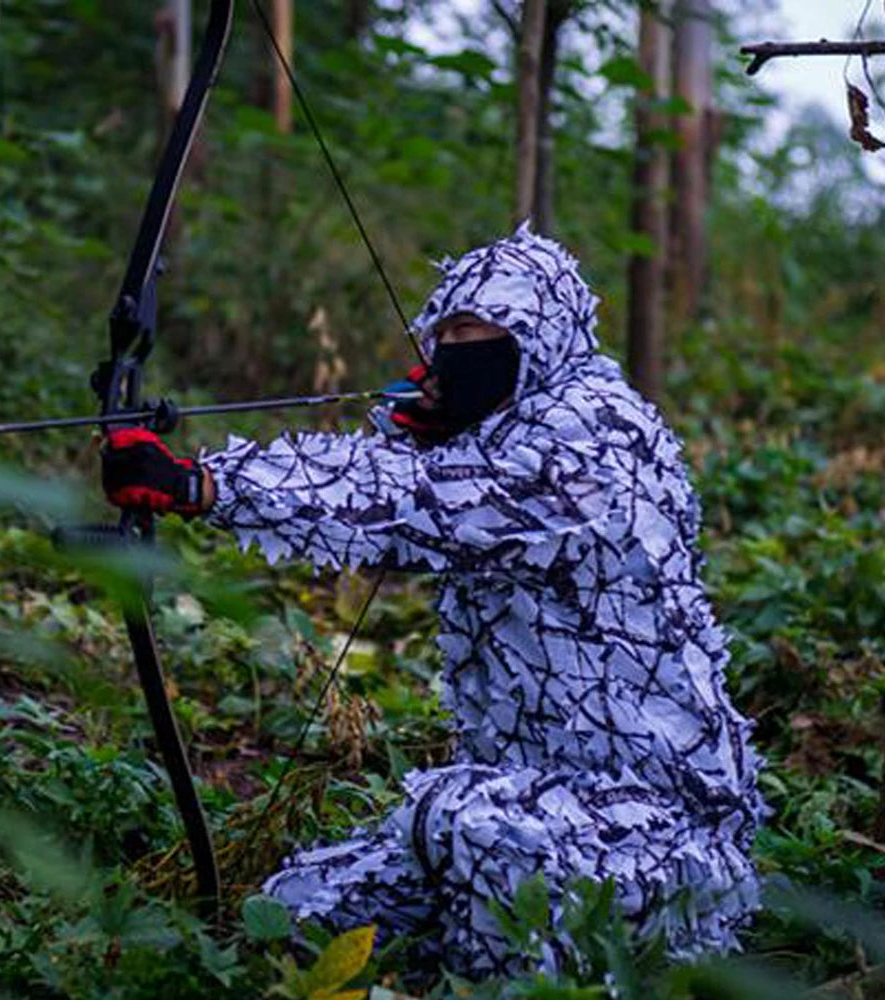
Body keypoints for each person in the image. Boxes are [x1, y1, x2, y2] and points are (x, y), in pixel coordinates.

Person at [102, 224, 766, 977]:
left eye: (476, 332)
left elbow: (429, 508)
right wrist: (414, 436)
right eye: (443, 333)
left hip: (657, 836)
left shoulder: (602, 439)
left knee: (467, 822)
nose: (454, 351)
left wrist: (204, 484)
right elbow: (422, 484)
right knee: (299, 911)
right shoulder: (501, 434)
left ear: (539, 335)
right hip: (528, 805)